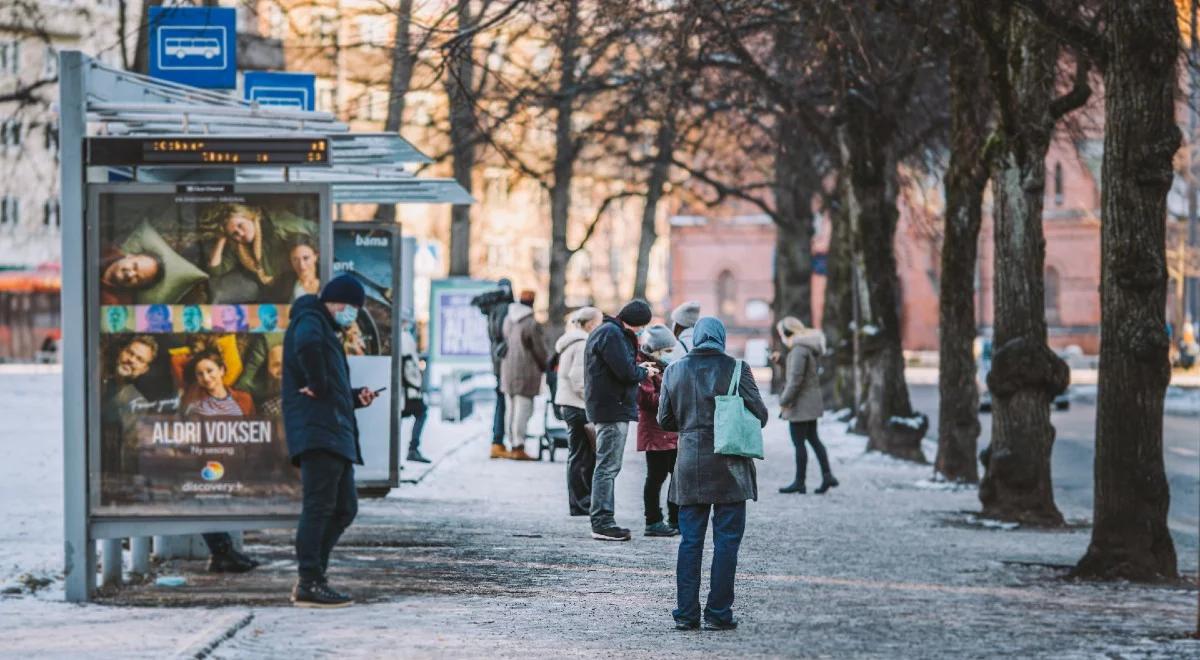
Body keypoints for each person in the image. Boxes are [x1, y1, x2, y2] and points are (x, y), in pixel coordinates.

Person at [658, 317, 768, 631]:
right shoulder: (736, 368)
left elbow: (666, 419)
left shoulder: (674, 370)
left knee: (690, 542)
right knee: (727, 543)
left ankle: (686, 614)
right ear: (720, 337)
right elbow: (761, 414)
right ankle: (719, 613)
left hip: (690, 464)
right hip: (730, 466)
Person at [282, 274, 379, 608]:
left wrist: (354, 397)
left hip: (332, 430)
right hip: (318, 432)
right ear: (338, 302)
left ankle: (314, 576)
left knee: (344, 508)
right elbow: (307, 346)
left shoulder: (325, 327)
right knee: (321, 507)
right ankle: (310, 580)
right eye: (352, 307)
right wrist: (319, 383)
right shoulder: (311, 320)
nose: (352, 314)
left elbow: (330, 387)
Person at [584, 299, 655, 541]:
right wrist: (644, 372)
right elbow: (625, 372)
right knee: (608, 467)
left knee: (606, 466)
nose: (641, 331)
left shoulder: (606, 331)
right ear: (634, 323)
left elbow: (620, 366)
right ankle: (602, 521)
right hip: (612, 408)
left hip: (608, 407)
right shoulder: (613, 334)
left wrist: (637, 367)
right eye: (642, 327)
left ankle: (602, 518)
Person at [776, 317, 837, 494]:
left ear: (788, 333)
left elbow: (795, 380)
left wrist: (784, 400)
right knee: (814, 440)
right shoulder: (804, 349)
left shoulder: (798, 350)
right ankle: (827, 476)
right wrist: (782, 360)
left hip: (801, 404)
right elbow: (800, 370)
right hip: (810, 402)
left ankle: (799, 482)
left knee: (799, 443)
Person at [206, 204, 312, 299]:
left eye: (240, 225)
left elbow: (308, 235)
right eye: (234, 233)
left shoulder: (274, 225)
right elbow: (215, 269)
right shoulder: (238, 246)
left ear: (249, 216)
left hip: (293, 279)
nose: (241, 234)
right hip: (267, 289)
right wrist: (222, 239)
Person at [554, 306, 601, 516]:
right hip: (578, 405)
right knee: (582, 456)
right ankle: (581, 503)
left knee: (577, 454)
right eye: (598, 323)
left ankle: (579, 502)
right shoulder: (582, 344)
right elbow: (578, 378)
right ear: (590, 324)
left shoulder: (570, 341)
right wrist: (590, 398)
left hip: (569, 404)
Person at [637, 325, 681, 537]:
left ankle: (676, 518)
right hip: (654, 431)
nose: (671, 353)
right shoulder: (646, 367)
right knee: (656, 477)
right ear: (657, 349)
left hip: (671, 431)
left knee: (676, 475)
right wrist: (672, 398)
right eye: (668, 349)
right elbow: (646, 399)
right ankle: (653, 520)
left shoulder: (666, 367)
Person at [500, 290, 548, 461]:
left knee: (511, 409)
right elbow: (539, 349)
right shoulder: (530, 322)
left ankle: (512, 442)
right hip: (525, 370)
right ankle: (518, 446)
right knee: (523, 409)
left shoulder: (508, 318)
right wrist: (545, 365)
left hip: (508, 369)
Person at [474, 278, 514, 458]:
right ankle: (498, 441)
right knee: (504, 401)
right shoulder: (504, 309)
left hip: (497, 362)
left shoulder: (492, 309)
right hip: (504, 362)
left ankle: (498, 441)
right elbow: (502, 336)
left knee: (502, 400)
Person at [182, 350, 255, 417]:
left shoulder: (244, 399)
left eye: (209, 371)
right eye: (200, 374)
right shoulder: (195, 401)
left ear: (221, 370)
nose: (206, 378)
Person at [400, 309, 430, 464]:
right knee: (421, 412)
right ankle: (413, 448)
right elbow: (409, 365)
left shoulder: (400, 336)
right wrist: (415, 385)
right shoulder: (405, 337)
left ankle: (394, 456)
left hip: (403, 390)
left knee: (398, 418)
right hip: (407, 389)